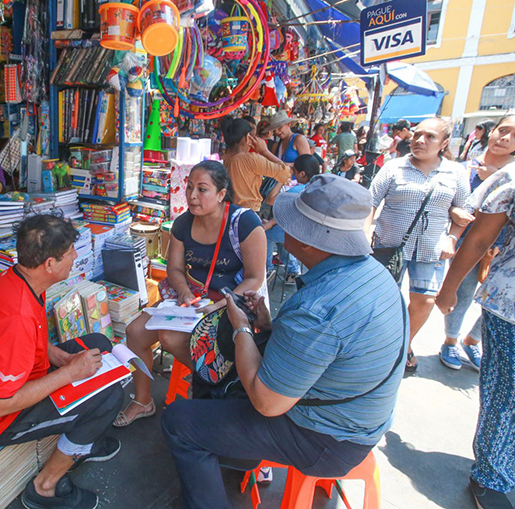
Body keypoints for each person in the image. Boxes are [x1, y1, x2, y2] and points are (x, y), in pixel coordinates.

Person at [161, 175, 408, 509]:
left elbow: (267, 403)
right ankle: (230, 454)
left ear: (308, 241)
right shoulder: (371, 273)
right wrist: (267, 323)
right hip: (355, 418)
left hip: (325, 437)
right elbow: (326, 348)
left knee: (180, 421)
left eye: (289, 224)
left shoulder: (317, 309)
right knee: (219, 380)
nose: (280, 229)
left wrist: (242, 328)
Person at [0, 215, 124, 509]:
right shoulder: (15, 318)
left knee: (99, 346)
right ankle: (44, 487)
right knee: (111, 396)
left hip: (22, 381)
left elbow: (34, 335)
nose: (74, 256)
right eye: (70, 252)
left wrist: (61, 358)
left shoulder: (18, 279)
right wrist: (69, 372)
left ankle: (87, 439)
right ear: (49, 264)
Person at [435, 110, 515, 509]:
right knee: (513, 393)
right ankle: (491, 475)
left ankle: (504, 439)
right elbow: (478, 238)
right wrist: (449, 289)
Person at [117, 161, 267, 427]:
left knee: (170, 338)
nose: (192, 196)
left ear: (222, 194)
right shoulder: (183, 223)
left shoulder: (244, 222)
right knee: (135, 332)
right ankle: (143, 401)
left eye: (202, 189)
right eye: (188, 188)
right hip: (192, 301)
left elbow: (255, 277)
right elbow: (174, 269)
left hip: (231, 303)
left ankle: (214, 380)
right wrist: (185, 292)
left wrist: (221, 304)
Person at [369, 117, 471, 372]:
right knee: (384, 300)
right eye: (416, 135)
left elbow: (465, 211)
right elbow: (369, 202)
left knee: (424, 302)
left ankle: (404, 344)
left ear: (444, 143)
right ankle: (379, 345)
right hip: (388, 246)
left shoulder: (456, 172)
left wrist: (453, 237)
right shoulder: (394, 168)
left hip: (431, 249)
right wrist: (363, 236)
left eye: (429, 137)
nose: (420, 141)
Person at [440, 112, 515, 370]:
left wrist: (498, 179)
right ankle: (451, 341)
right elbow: (450, 202)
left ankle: (472, 340)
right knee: (461, 292)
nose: (506, 138)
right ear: (492, 131)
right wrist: (452, 218)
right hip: (468, 243)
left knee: (500, 300)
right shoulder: (465, 168)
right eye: (503, 130)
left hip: (508, 251)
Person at [263, 154, 321, 275]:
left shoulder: (298, 190)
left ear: (302, 174)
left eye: (294, 171)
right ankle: (292, 269)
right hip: (309, 232)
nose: (293, 173)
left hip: (296, 232)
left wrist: (281, 179)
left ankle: (267, 268)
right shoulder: (318, 185)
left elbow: (270, 200)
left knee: (266, 234)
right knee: (280, 236)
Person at [220, 116, 291, 212]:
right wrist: (264, 151)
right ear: (248, 137)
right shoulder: (250, 159)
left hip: (227, 210)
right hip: (248, 213)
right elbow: (285, 173)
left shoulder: (222, 158)